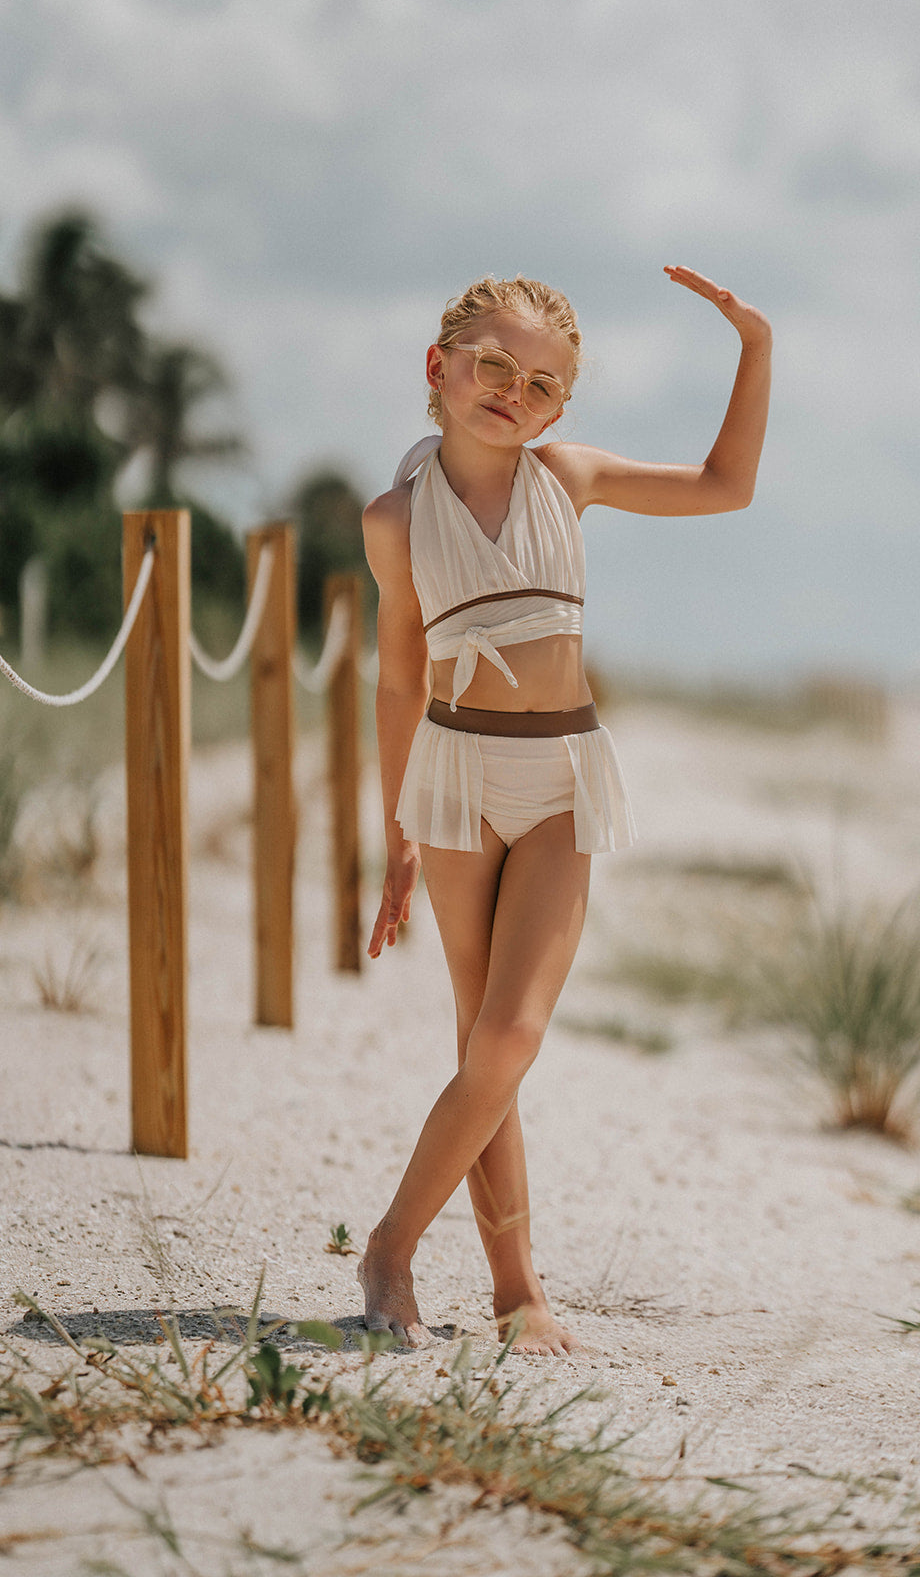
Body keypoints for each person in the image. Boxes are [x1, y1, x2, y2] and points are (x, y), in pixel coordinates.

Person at [359, 266, 771, 1354]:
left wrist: (754, 348)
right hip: (453, 784)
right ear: (440, 368)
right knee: (476, 1035)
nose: (515, 392)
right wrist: (395, 831)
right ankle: (513, 1290)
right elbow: (399, 676)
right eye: (493, 366)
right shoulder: (394, 520)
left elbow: (727, 485)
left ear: (562, 407)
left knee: (510, 1035)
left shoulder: (568, 477)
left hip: (559, 781)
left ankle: (391, 1243)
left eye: (543, 383)